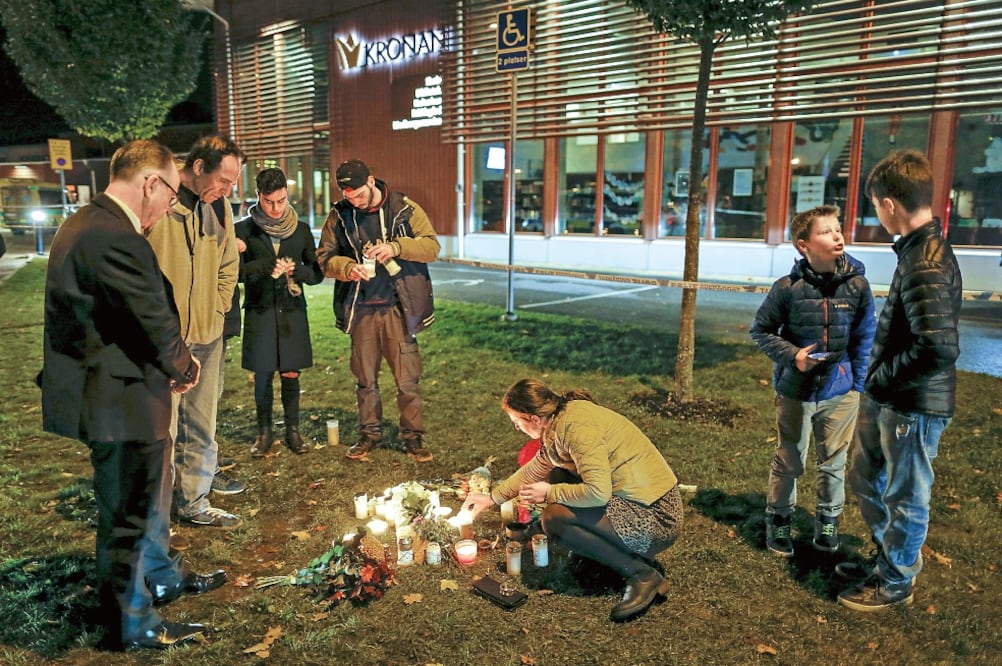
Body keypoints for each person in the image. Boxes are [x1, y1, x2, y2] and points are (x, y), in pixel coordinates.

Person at [39, 140, 226, 651]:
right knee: (129, 514)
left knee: (137, 503)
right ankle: (132, 621)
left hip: (117, 394)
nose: (170, 206)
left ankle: (159, 579)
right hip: (120, 400)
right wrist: (184, 366)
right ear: (151, 183)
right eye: (169, 194)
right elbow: (152, 316)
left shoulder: (89, 224)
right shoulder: (114, 235)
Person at [836, 150, 963, 611]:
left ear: (889, 203)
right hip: (892, 397)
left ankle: (895, 580)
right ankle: (887, 557)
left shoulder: (925, 260)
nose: (875, 211)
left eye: (874, 203)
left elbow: (939, 347)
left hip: (912, 403)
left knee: (906, 495)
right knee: (867, 476)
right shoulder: (915, 250)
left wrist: (883, 378)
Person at [463, 379, 684, 622]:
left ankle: (642, 575)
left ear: (534, 419)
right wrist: (492, 498)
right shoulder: (560, 420)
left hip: (656, 518)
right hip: (634, 501)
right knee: (559, 474)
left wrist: (549, 493)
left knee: (556, 518)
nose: (517, 428)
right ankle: (593, 552)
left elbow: (598, 492)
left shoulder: (576, 429)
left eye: (517, 422)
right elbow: (536, 468)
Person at [749, 205, 876, 557]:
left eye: (838, 229)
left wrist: (857, 385)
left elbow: (865, 339)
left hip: (841, 392)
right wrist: (794, 357)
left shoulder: (858, 286)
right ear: (804, 245)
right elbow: (760, 331)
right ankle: (779, 520)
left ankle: (828, 522)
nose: (837, 235)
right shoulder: (786, 288)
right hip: (795, 392)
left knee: (834, 463)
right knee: (789, 461)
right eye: (826, 231)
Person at [146, 134, 245, 529]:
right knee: (162, 430)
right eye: (224, 180)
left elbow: (227, 265)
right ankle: (158, 510)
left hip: (207, 335)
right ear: (198, 167)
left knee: (202, 424)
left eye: (234, 182)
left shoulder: (218, 207)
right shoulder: (160, 206)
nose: (228, 190)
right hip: (165, 342)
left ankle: (195, 501)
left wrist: (217, 310)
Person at [317, 159, 439, 463]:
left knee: (407, 379)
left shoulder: (404, 209)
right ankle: (369, 434)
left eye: (358, 194)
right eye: (348, 197)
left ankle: (412, 437)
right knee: (365, 378)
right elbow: (324, 257)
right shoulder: (340, 214)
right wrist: (348, 268)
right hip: (361, 309)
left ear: (371, 181)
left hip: (398, 307)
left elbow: (431, 247)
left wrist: (396, 248)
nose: (354, 201)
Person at [235, 167, 323, 456]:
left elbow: (317, 273)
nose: (275, 208)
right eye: (269, 201)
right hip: (260, 312)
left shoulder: (300, 229)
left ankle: (292, 431)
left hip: (292, 312)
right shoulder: (243, 230)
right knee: (262, 375)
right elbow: (233, 272)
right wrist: (264, 268)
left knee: (290, 373)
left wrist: (298, 271)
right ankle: (264, 433)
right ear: (258, 196)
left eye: (282, 200)